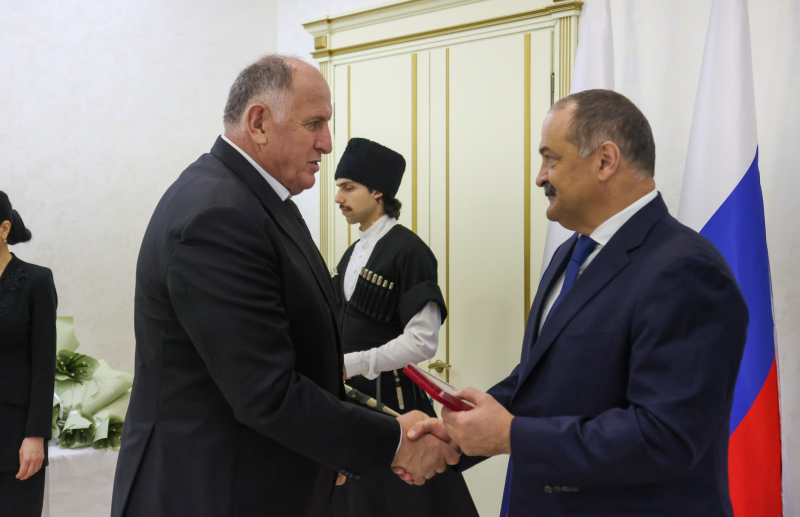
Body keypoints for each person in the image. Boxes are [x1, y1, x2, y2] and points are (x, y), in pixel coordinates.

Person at [110, 55, 458, 517]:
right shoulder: (218, 215)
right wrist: (393, 441)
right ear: (258, 123)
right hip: (208, 491)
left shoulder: (261, 202)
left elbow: (304, 355)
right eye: (314, 123)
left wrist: (336, 445)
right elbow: (266, 391)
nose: (327, 142)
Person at [404, 89, 748, 516]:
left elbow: (665, 436)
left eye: (551, 159)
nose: (540, 177)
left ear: (605, 161)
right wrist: (458, 435)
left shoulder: (686, 270)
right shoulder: (573, 253)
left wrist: (511, 436)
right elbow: (543, 381)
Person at [330, 138, 479, 517]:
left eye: (348, 187)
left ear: (378, 191)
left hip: (395, 408)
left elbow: (423, 341)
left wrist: (355, 363)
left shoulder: (410, 251)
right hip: (350, 408)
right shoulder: (350, 254)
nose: (338, 198)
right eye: (338, 187)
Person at [0, 191, 57, 517]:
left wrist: (36, 435)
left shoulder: (36, 281)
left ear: (4, 228)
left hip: (15, 437)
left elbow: (44, 364)